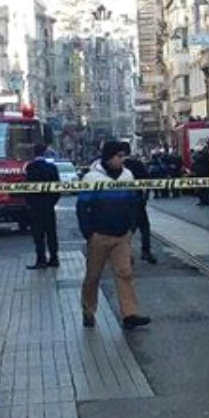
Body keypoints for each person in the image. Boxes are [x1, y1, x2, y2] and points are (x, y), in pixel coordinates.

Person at [76, 140, 151, 330]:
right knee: (93, 276)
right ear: (109, 157)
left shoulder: (127, 175)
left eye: (123, 156)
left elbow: (134, 202)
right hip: (99, 235)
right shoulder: (91, 178)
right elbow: (82, 207)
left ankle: (129, 314)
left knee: (124, 273)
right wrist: (89, 233)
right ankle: (88, 311)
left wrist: (131, 228)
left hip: (121, 236)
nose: (122, 159)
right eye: (119, 156)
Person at [24, 142, 61, 270]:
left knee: (38, 234)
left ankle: (41, 260)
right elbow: (57, 188)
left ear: (34, 153)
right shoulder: (52, 168)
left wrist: (29, 203)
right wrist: (52, 202)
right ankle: (54, 258)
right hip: (49, 206)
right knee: (51, 233)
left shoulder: (30, 167)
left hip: (35, 207)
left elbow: (27, 188)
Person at [123, 150, 158, 264]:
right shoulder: (137, 164)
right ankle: (146, 251)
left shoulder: (117, 166)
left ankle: (127, 254)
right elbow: (147, 180)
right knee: (144, 227)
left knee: (126, 229)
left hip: (121, 202)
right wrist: (145, 196)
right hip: (137, 200)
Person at [192, 141, 209, 207]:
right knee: (202, 188)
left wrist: (195, 154)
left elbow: (197, 158)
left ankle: (205, 201)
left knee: (203, 188)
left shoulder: (205, 154)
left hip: (203, 173)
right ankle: (203, 200)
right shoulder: (204, 153)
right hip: (201, 173)